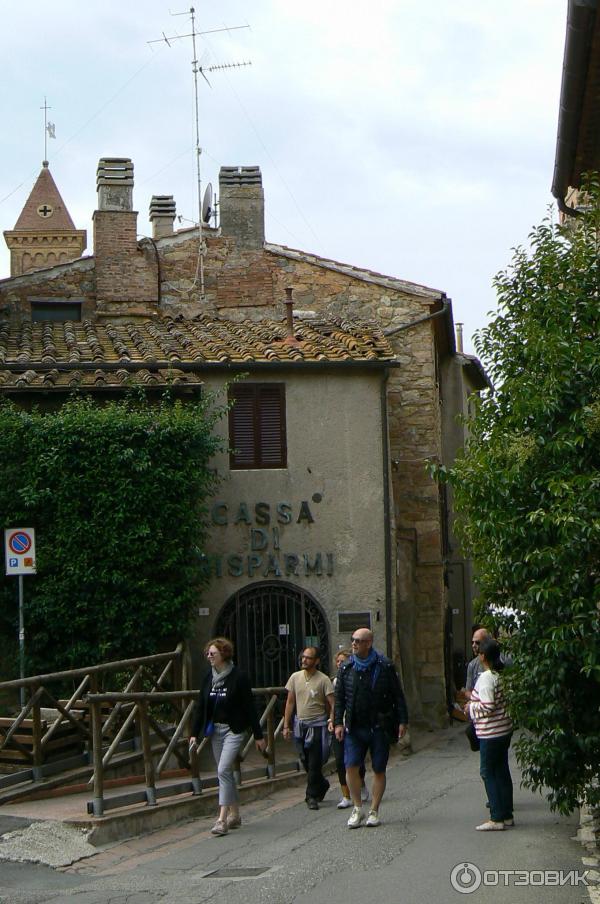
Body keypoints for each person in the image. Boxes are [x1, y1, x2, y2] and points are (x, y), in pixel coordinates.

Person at [190, 637, 266, 836]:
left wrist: (258, 735)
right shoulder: (208, 678)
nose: (209, 657)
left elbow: (250, 707)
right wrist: (193, 734)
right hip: (215, 730)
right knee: (225, 772)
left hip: (234, 729)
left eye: (212, 653)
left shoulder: (238, 677)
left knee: (223, 769)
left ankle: (221, 819)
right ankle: (236, 815)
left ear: (223, 654)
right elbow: (200, 707)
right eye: (207, 653)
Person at [334, 628, 408, 829]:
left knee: (378, 768)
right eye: (353, 640)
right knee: (350, 766)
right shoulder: (346, 668)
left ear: (369, 643)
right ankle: (357, 808)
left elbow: (397, 695)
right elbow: (339, 698)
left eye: (358, 641)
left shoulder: (384, 666)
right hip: (354, 726)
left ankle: (374, 810)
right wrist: (338, 723)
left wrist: (402, 721)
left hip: (379, 726)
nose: (354, 644)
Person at [465, 636, 514, 831]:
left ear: (483, 656)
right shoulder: (500, 675)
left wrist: (470, 707)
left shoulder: (486, 678)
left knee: (487, 772)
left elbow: (488, 705)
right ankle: (507, 813)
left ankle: (496, 817)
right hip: (503, 729)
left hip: (490, 732)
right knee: (501, 770)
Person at [283, 646, 334, 810]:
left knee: (314, 762)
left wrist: (332, 720)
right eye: (303, 657)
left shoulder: (323, 679)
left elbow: (332, 704)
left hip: (317, 725)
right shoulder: (295, 677)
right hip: (301, 724)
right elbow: (290, 701)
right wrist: (286, 725)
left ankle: (310, 796)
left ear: (317, 661)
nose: (304, 660)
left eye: (308, 658)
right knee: (305, 760)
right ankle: (322, 784)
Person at [329, 650, 368, 809]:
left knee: (355, 760)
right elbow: (335, 704)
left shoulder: (356, 677)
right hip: (339, 724)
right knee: (340, 760)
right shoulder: (335, 681)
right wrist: (333, 720)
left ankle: (360, 784)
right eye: (338, 661)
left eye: (342, 661)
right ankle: (346, 795)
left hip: (353, 724)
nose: (340, 664)